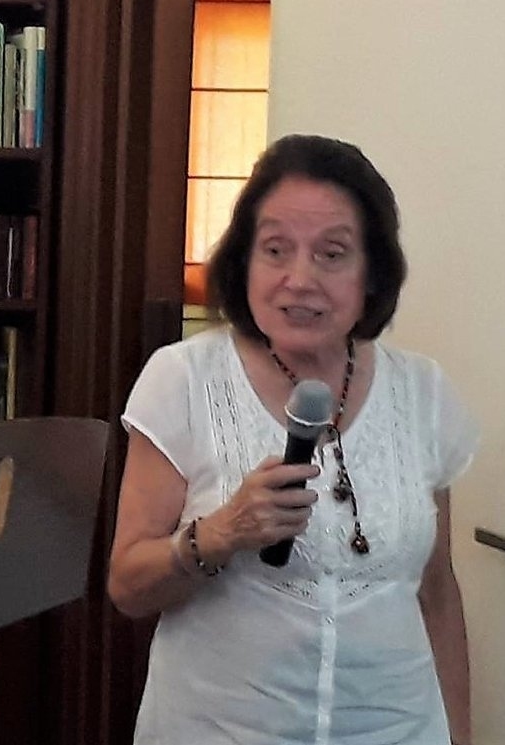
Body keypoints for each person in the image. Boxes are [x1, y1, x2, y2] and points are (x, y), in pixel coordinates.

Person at [108, 134, 476, 745]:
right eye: (276, 249)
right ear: (244, 261)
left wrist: (460, 734)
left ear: (372, 274)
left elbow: (437, 592)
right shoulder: (184, 379)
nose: (299, 279)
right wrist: (220, 533)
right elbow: (127, 585)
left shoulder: (424, 393)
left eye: (332, 254)